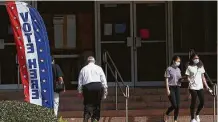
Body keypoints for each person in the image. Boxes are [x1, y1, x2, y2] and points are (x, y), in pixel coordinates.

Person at [78, 56, 108, 122]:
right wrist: (105, 92)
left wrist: (80, 92)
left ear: (87, 62)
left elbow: (80, 82)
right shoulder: (99, 68)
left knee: (87, 104)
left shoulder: (83, 69)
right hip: (97, 86)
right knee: (97, 104)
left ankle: (86, 118)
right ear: (94, 61)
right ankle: (95, 119)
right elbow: (104, 81)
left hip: (87, 87)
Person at [185, 54, 212, 122]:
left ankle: (197, 114)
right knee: (193, 101)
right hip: (192, 87)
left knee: (202, 102)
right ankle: (192, 118)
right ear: (192, 59)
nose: (197, 59)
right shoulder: (189, 67)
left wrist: (207, 87)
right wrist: (189, 80)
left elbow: (203, 78)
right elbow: (187, 77)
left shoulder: (201, 67)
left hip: (200, 87)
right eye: (195, 58)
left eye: (198, 58)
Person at [163, 55, 183, 122]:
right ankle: (166, 113)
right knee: (174, 105)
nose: (179, 62)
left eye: (179, 61)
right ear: (174, 61)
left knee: (178, 105)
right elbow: (166, 79)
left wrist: (182, 79)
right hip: (171, 87)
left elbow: (179, 78)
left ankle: (175, 119)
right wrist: (167, 89)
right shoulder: (169, 69)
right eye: (177, 61)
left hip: (177, 87)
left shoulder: (178, 69)